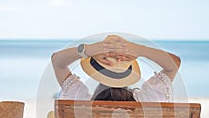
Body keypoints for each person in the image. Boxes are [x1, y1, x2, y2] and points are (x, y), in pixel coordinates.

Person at [51, 35, 181, 102]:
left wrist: (89, 49)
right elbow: (173, 64)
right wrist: (140, 50)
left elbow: (57, 61)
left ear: (95, 72)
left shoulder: (80, 101)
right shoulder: (148, 100)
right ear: (128, 72)